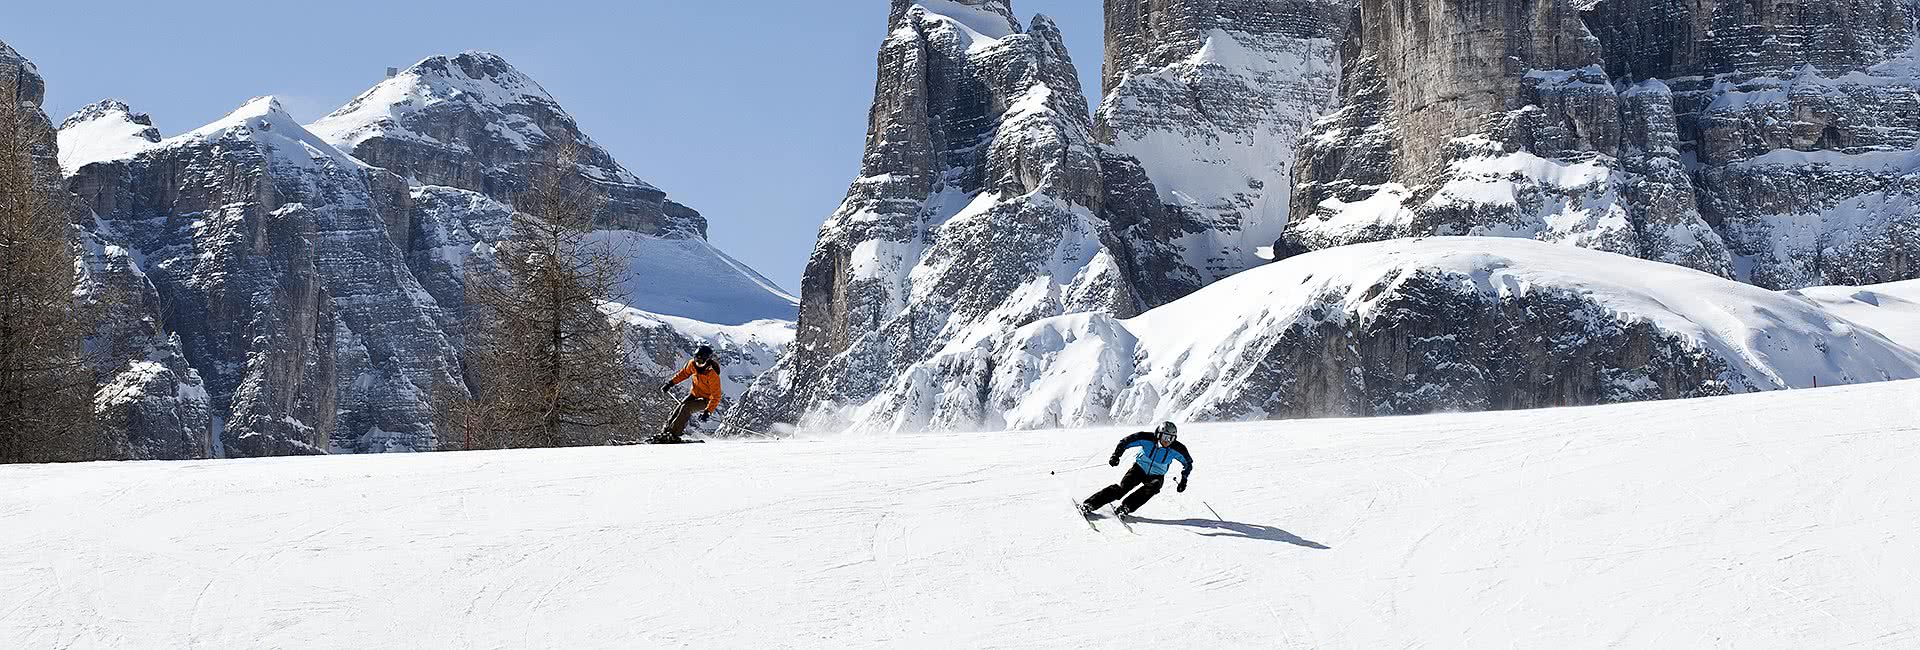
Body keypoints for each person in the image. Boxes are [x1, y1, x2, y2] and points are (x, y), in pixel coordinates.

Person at [1081, 422, 1193, 517]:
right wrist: (1116, 455)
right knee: (1122, 489)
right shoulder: (1147, 438)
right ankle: (1090, 504)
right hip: (1139, 469)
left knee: (1154, 486)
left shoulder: (1177, 448)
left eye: (1171, 438)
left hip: (1157, 475)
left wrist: (1184, 480)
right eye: (1165, 437)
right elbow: (1125, 441)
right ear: (1159, 434)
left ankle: (1126, 507)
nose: (1167, 441)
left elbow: (1188, 463)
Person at [657, 345, 722, 442]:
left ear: (707, 360)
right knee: (679, 407)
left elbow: (716, 396)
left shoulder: (712, 374)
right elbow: (683, 374)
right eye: (696, 359)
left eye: (701, 361)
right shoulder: (692, 364)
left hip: (707, 399)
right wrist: (670, 383)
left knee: (686, 408)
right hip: (695, 393)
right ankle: (665, 432)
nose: (698, 363)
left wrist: (708, 411)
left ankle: (674, 434)